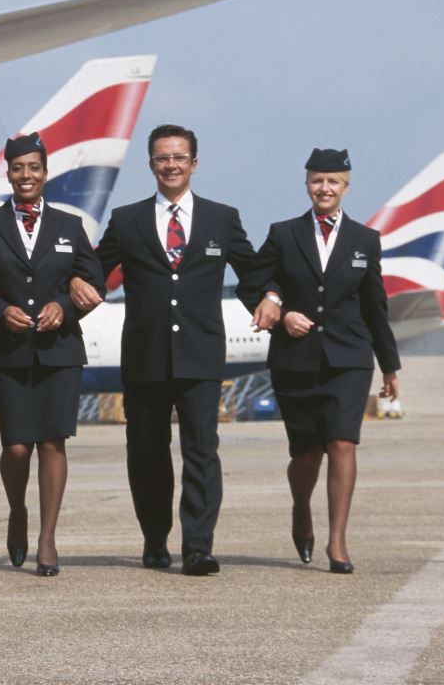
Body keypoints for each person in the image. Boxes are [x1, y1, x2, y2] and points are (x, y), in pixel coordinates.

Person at [88, 124, 279, 576]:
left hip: (201, 356)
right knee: (147, 454)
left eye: (179, 157)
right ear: (151, 165)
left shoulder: (221, 218)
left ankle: (198, 547)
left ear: (194, 163)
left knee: (201, 452)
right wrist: (75, 284)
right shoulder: (126, 219)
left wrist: (271, 300)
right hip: (144, 357)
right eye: (161, 158)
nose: (170, 165)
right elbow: (93, 269)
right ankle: (155, 539)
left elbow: (252, 272)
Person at [238, 148, 400, 574]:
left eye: (333, 182)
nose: (324, 188)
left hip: (349, 358)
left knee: (342, 443)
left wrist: (390, 365)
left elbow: (375, 306)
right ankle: (301, 509)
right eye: (317, 181)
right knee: (307, 453)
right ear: (306, 185)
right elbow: (250, 282)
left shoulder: (365, 239)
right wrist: (278, 308)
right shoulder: (283, 233)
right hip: (295, 359)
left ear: (346, 187)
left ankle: (338, 542)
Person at [0, 132, 105, 577]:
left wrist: (68, 304)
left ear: (45, 173)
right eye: (18, 168)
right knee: (18, 447)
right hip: (8, 349)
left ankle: (47, 538)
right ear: (9, 173)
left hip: (59, 352)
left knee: (53, 442)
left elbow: (92, 281)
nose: (26, 176)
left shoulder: (69, 226)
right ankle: (17, 509)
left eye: (34, 168)